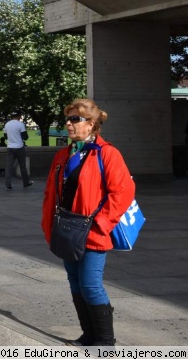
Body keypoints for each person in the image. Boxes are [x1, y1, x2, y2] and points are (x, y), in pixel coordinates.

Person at [42, 99, 135, 347]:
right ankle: (89, 335)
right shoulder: (63, 154)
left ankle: (105, 341)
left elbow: (123, 192)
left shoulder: (107, 153)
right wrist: (49, 226)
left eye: (75, 119)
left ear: (91, 124)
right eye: (68, 119)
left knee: (91, 285)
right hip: (66, 230)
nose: (69, 125)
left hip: (92, 231)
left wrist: (101, 223)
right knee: (75, 283)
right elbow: (51, 193)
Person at [3, 111, 33, 190]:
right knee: (22, 166)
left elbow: (5, 136)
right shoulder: (20, 124)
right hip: (19, 147)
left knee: (9, 166)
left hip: (10, 147)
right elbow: (25, 137)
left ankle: (8, 184)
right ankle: (26, 183)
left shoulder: (7, 124)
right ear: (19, 116)